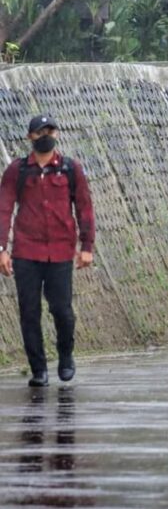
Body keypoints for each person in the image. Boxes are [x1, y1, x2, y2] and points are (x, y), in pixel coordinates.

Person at [0, 115, 95, 387]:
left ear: (58, 134)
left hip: (60, 253)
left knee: (62, 310)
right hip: (26, 252)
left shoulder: (69, 169)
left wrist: (86, 246)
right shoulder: (17, 171)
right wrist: (2, 249)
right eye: (40, 132)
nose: (46, 135)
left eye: (50, 130)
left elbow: (85, 208)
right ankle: (38, 369)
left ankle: (65, 355)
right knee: (29, 312)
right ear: (30, 137)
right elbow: (4, 209)